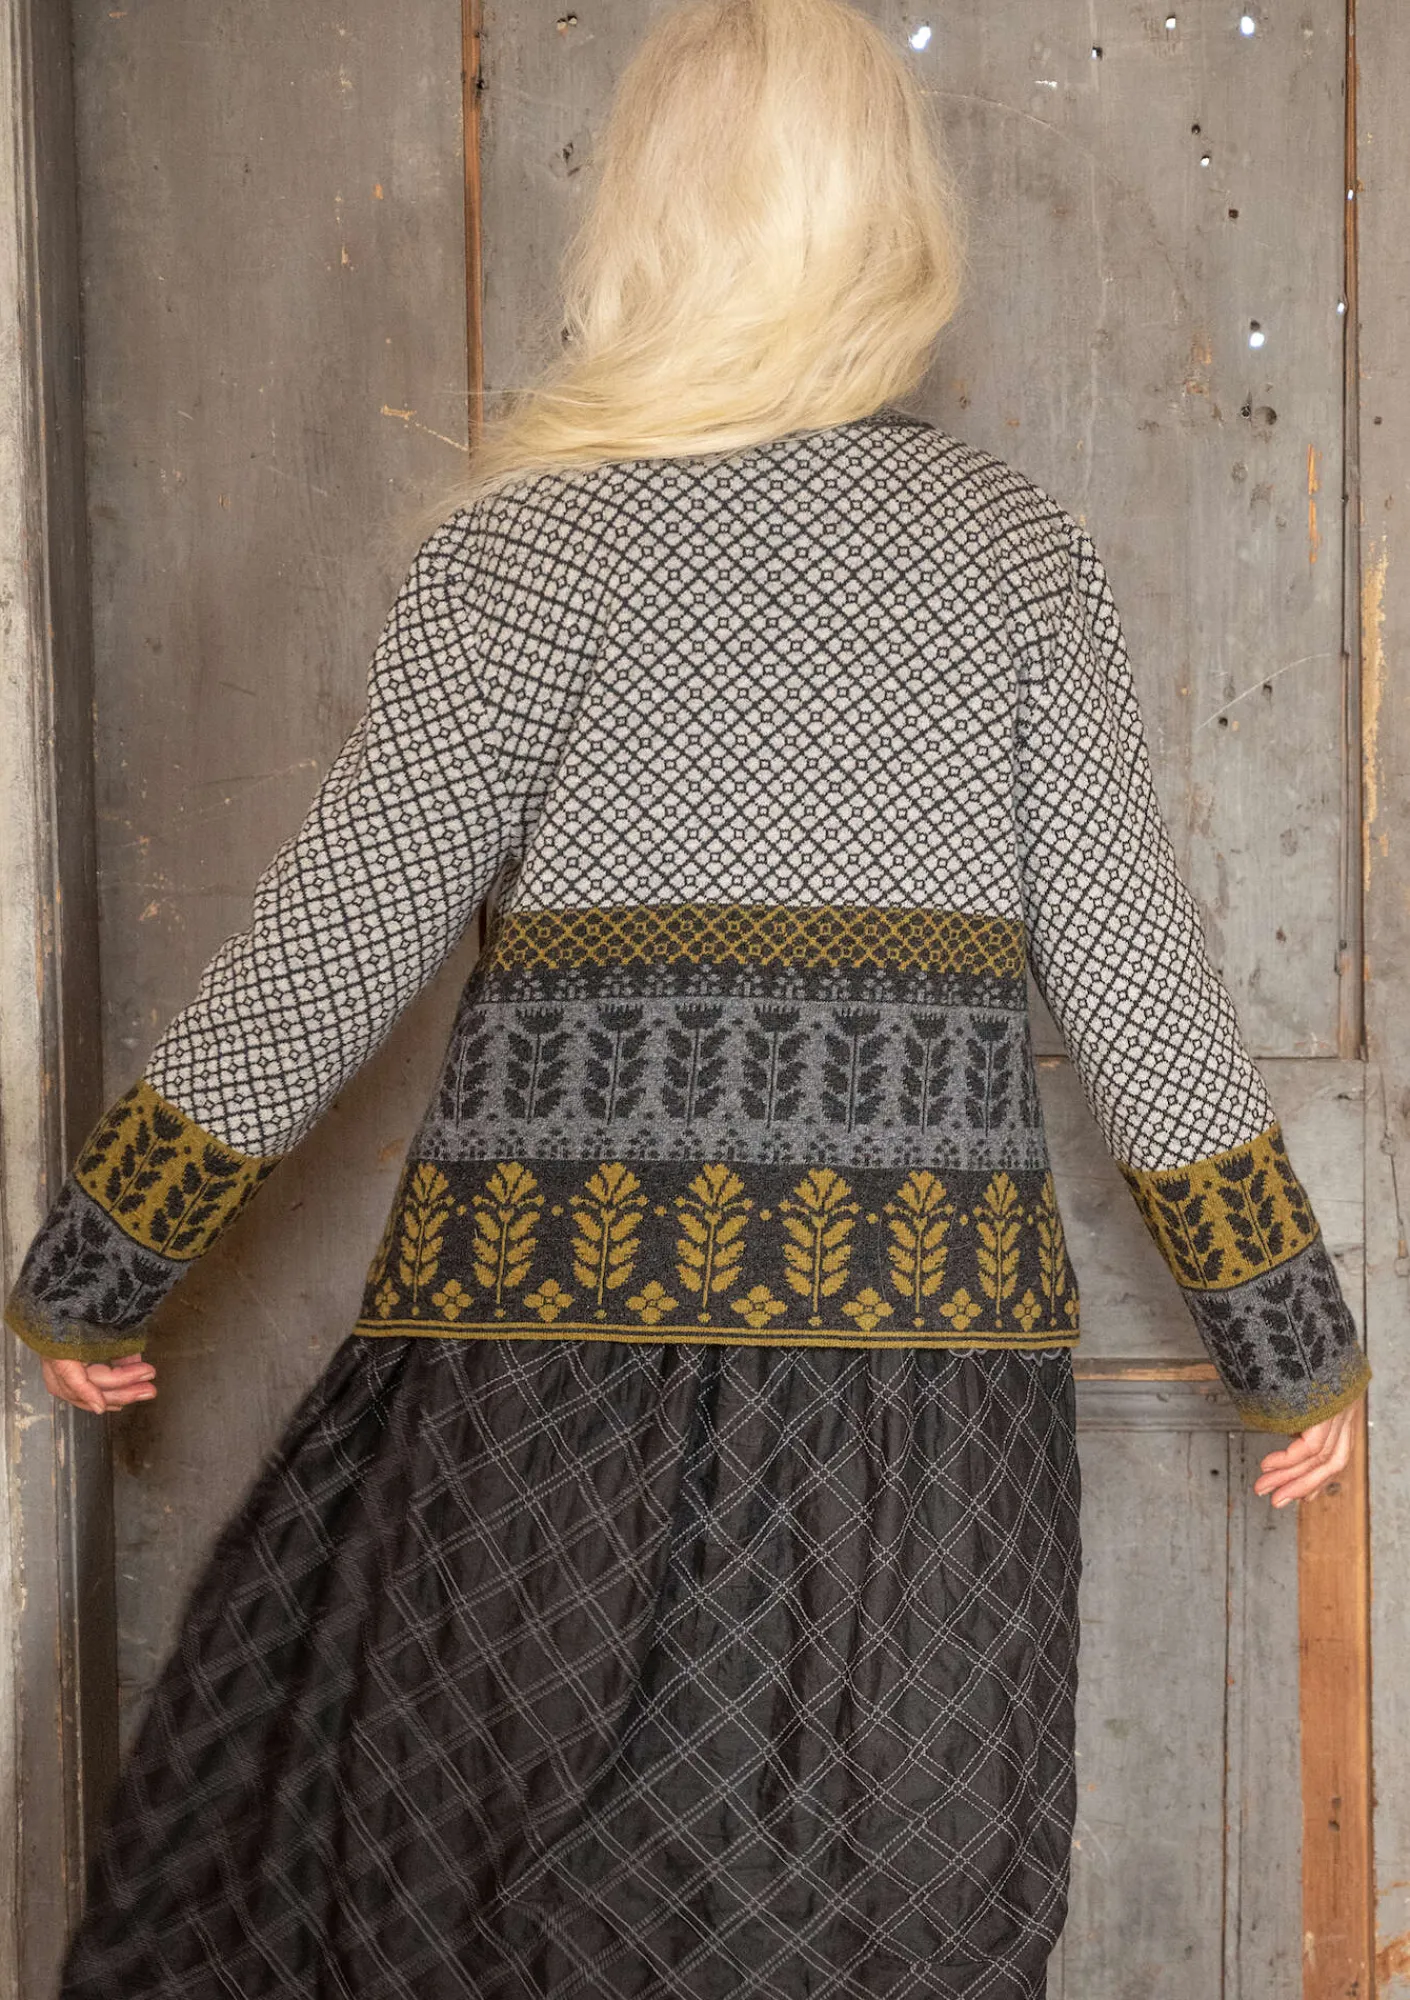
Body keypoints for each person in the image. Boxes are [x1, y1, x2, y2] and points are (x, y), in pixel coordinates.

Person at [5, 0, 1368, 1993]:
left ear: (642, 217)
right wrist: (1286, 1341)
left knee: (473, 1916)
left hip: (538, 1384)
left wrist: (101, 1266)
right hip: (922, 1417)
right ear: (890, 221)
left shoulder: (525, 554)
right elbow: (1137, 976)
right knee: (888, 1927)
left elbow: (334, 938)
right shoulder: (1013, 559)